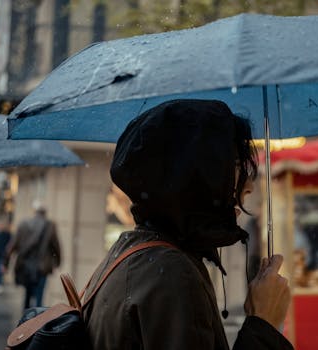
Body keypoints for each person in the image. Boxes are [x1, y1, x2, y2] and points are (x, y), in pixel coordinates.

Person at [82, 100, 293, 349]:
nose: (248, 185)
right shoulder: (171, 274)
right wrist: (264, 323)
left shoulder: (135, 252)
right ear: (195, 175)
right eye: (235, 166)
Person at [4, 202, 61, 309]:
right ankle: (37, 319)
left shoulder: (23, 224)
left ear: (35, 212)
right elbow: (56, 246)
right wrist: (57, 261)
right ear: (45, 213)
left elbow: (12, 246)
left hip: (26, 265)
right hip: (42, 266)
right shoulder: (50, 226)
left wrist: (5, 263)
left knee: (27, 293)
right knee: (39, 295)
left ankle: (26, 318)